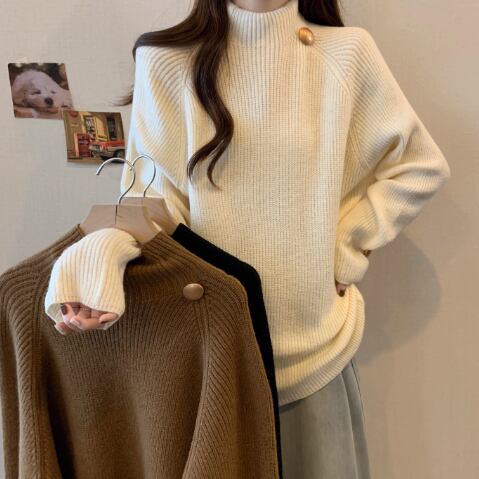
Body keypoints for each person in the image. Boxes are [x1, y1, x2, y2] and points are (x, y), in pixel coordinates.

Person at [56, 0, 451, 477]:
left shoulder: (346, 53)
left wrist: (343, 250)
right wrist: (99, 264)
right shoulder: (167, 61)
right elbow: (152, 208)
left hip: (317, 351)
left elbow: (419, 167)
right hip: (210, 359)